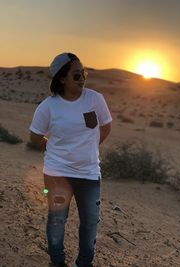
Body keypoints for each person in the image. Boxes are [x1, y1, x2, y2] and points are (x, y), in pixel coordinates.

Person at [29, 52, 112, 267]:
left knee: (90, 222)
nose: (82, 79)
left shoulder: (95, 99)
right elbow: (35, 137)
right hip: (57, 174)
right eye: (76, 76)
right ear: (62, 79)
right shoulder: (48, 107)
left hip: (89, 173)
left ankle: (84, 263)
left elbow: (106, 126)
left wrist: (89, 148)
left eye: (83, 73)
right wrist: (53, 150)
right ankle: (57, 262)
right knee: (57, 220)